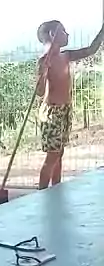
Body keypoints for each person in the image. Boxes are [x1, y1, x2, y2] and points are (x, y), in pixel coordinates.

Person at [36, 18, 104, 190]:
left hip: (65, 109)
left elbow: (91, 50)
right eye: (63, 31)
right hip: (52, 112)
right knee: (52, 156)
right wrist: (43, 73)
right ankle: (41, 195)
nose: (67, 34)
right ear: (53, 34)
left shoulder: (65, 56)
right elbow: (40, 92)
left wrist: (102, 31)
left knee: (59, 154)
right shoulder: (44, 61)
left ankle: (56, 190)